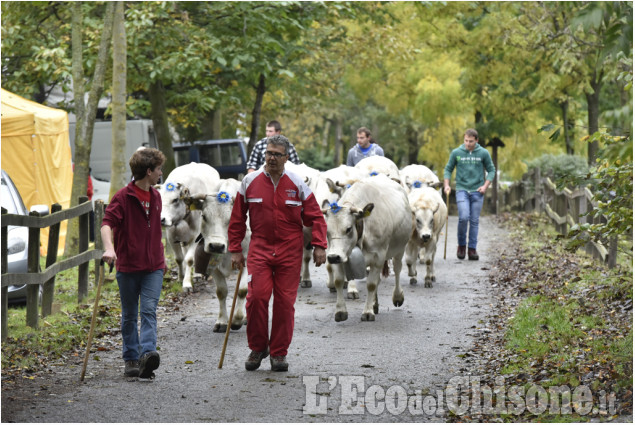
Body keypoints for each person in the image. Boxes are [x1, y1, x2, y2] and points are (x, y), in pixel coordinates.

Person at [228, 135, 327, 372]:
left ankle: (279, 353)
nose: (271, 158)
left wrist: (319, 245)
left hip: (289, 250)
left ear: (286, 157)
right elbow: (237, 219)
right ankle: (258, 347)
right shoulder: (249, 182)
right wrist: (234, 249)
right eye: (268, 153)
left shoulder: (297, 183)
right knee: (256, 298)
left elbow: (315, 217)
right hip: (260, 248)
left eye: (276, 154)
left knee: (284, 303)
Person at [101, 148, 166, 379]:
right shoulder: (123, 197)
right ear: (148, 171)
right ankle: (131, 358)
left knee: (148, 310)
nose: (161, 173)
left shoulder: (157, 197)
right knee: (129, 314)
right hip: (128, 267)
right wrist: (110, 248)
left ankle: (148, 354)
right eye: (158, 169)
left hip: (154, 267)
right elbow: (106, 224)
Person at [443, 128, 495, 261]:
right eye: (466, 141)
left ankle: (472, 249)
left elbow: (491, 170)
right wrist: (447, 185)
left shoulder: (483, 153)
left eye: (471, 141)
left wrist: (485, 186)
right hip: (462, 190)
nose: (468, 144)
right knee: (464, 217)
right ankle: (461, 246)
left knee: (474, 220)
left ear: (476, 140)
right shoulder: (457, 152)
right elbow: (448, 169)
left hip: (477, 191)